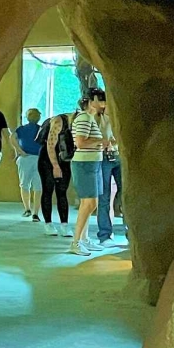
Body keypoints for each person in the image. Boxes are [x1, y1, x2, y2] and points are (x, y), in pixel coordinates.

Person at [69, 89, 109, 256]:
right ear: (92, 101)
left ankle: (84, 239)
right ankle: (76, 242)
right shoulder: (84, 118)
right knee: (89, 203)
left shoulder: (90, 118)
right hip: (84, 164)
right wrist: (101, 141)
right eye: (101, 100)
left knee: (91, 203)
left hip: (93, 163)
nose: (104, 103)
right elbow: (80, 142)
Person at [37, 111, 72, 236]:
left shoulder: (79, 123)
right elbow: (50, 145)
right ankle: (48, 223)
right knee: (48, 189)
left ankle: (64, 224)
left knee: (62, 191)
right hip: (47, 159)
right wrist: (55, 166)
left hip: (64, 158)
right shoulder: (59, 121)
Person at [13, 108, 43, 220]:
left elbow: (12, 138)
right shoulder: (41, 129)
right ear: (39, 117)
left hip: (25, 158)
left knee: (24, 184)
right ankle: (36, 213)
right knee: (38, 187)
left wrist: (19, 150)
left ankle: (27, 209)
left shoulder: (21, 129)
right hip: (39, 159)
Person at [96, 122, 123, 247]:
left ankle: (130, 233)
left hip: (120, 155)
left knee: (126, 196)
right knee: (104, 197)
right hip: (104, 156)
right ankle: (104, 235)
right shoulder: (98, 117)